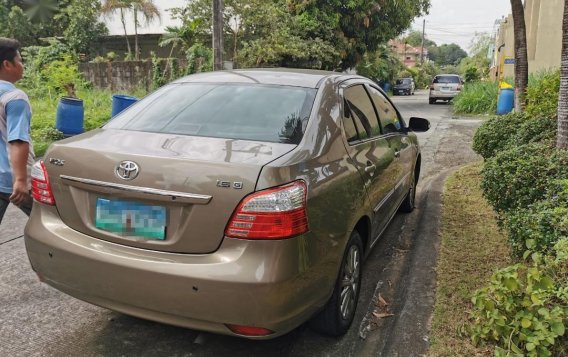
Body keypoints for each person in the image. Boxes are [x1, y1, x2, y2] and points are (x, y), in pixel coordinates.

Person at [0, 38, 34, 224]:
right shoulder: (15, 97)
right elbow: (18, 140)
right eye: (20, 60)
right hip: (11, 179)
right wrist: (21, 180)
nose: (22, 65)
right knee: (50, 221)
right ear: (7, 64)